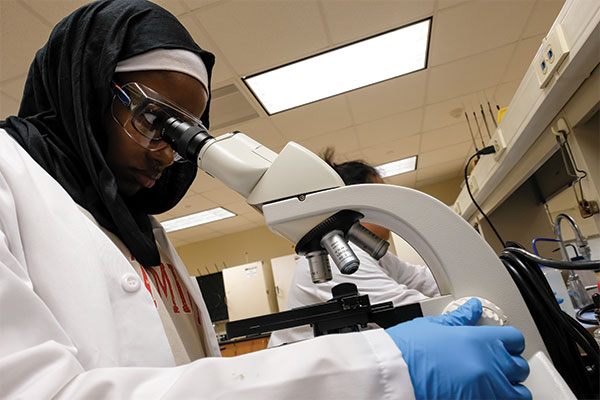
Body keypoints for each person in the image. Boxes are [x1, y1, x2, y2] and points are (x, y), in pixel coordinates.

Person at [0, 1, 531, 398]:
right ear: (86, 88)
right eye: (152, 121)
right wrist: (380, 367)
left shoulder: (139, 227)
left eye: (184, 133)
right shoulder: (9, 177)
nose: (167, 154)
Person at [269, 150, 440, 347]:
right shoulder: (337, 256)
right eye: (383, 199)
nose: (390, 208)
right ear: (359, 202)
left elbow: (419, 279)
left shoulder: (369, 251)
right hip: (302, 370)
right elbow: (409, 309)